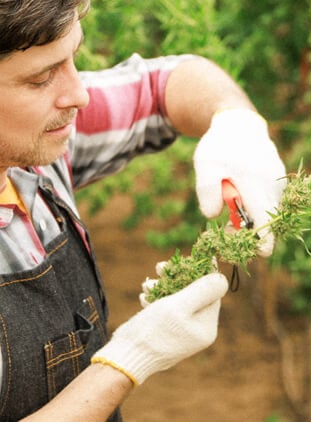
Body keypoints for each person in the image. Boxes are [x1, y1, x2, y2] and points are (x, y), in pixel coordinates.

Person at [0, 1, 286, 421]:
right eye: (42, 78)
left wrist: (235, 122)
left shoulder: (31, 147)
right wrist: (129, 359)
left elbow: (163, 84)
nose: (78, 94)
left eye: (73, 58)